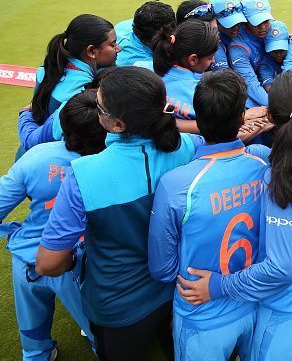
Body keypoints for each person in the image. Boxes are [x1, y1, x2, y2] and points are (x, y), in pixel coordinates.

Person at [35, 66, 207, 361]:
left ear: (116, 124)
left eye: (98, 106)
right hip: (182, 289)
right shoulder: (190, 147)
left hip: (118, 304)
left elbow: (48, 263)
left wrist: (74, 259)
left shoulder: (84, 174)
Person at [177, 70, 292, 361]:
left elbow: (281, 267)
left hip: (287, 313)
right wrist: (239, 145)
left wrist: (217, 285)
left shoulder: (277, 178)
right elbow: (281, 154)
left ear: (271, 117)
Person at [148, 70, 268, 361]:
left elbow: (162, 269)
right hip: (260, 306)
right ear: (242, 117)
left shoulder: (177, 184)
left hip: (202, 315)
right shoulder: (263, 161)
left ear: (197, 122)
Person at [1, 90, 104, 361]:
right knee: (100, 335)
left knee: (33, 344)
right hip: (78, 264)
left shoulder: (37, 156)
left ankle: (38, 354)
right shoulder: (108, 164)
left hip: (28, 259)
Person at [18, 14, 118, 151]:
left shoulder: (49, 67)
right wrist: (25, 115)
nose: (119, 48)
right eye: (113, 44)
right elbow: (34, 141)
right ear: (91, 51)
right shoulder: (79, 98)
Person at [152, 20, 219, 133]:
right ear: (193, 59)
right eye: (210, 57)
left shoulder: (142, 69)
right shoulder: (202, 91)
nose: (213, 61)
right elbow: (219, 127)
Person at [228, 0, 273, 108]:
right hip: (246, 89)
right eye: (257, 22)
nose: (263, 27)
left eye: (266, 21)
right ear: (245, 21)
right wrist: (277, 107)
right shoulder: (238, 48)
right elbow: (250, 84)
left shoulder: (272, 31)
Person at [115, 1, 175, 67]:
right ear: (144, 40)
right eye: (164, 37)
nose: (172, 39)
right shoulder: (142, 64)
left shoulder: (126, 25)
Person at [210, 0, 247, 72]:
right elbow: (223, 76)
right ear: (215, 21)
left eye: (238, 22)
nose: (236, 27)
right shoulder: (214, 43)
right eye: (230, 24)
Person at [258, 20, 290, 91]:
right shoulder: (265, 64)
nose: (278, 55)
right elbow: (270, 89)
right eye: (273, 51)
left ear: (288, 42)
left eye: (281, 50)